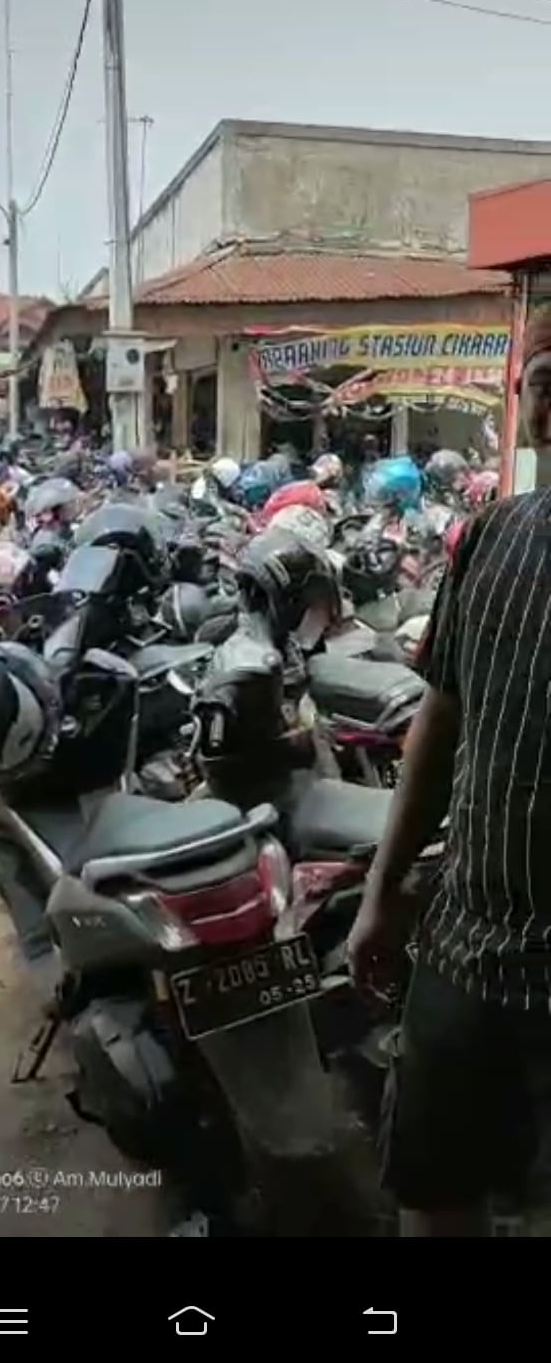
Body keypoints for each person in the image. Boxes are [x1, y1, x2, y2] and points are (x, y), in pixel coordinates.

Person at [347, 307, 551, 1237]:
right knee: (431, 1201)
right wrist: (383, 891)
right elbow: (443, 711)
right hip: (465, 952)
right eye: (544, 380)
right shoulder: (494, 538)